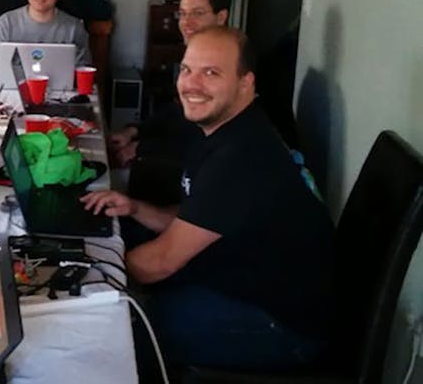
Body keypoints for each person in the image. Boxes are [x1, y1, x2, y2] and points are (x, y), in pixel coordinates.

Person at [82, 27, 334, 372]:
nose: (191, 84)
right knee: (121, 238)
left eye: (211, 73)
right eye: (187, 70)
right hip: (239, 274)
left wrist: (81, 275)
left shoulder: (241, 156)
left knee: (117, 331)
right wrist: (136, 208)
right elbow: (195, 218)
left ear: (246, 83)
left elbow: (160, 261)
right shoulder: (221, 129)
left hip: (283, 325)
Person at [109, 0, 231, 167]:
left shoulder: (229, 66)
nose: (186, 23)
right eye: (182, 14)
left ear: (221, 17)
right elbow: (178, 111)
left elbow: (201, 137)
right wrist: (133, 131)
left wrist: (140, 148)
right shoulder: (194, 56)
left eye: (198, 13)